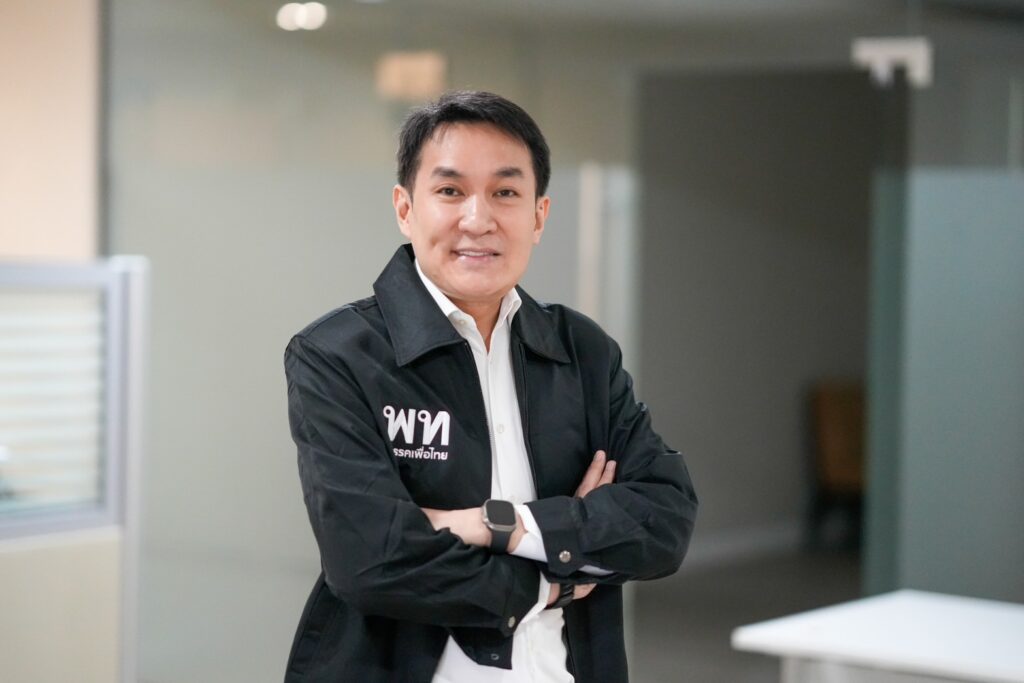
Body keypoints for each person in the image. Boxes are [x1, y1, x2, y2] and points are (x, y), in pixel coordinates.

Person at [283, 90, 697, 683]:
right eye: (450, 191)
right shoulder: (339, 355)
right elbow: (370, 560)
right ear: (405, 208)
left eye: (505, 192)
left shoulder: (582, 351)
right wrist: (555, 576)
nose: (478, 220)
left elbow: (664, 521)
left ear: (539, 216)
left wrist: (494, 524)